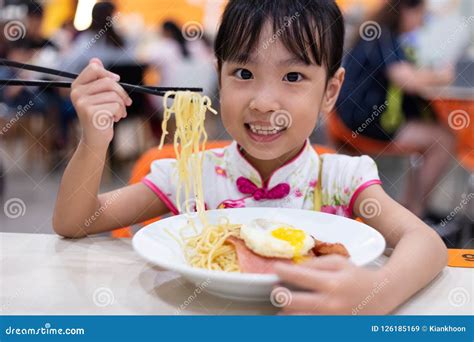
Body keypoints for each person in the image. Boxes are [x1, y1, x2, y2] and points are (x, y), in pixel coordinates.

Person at [53, 0, 447, 315]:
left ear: (330, 90)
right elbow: (75, 222)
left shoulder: (341, 177)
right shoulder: (189, 175)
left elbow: (425, 243)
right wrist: (94, 139)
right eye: (243, 73)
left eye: (293, 77)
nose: (263, 103)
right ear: (218, 75)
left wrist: (376, 295)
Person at [336, 0, 455, 217]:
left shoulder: (379, 32)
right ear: (406, 10)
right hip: (361, 121)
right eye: (421, 15)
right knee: (443, 140)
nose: (422, 23)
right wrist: (441, 75)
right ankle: (414, 213)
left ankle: (409, 210)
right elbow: (406, 79)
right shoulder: (382, 34)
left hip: (351, 117)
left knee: (434, 133)